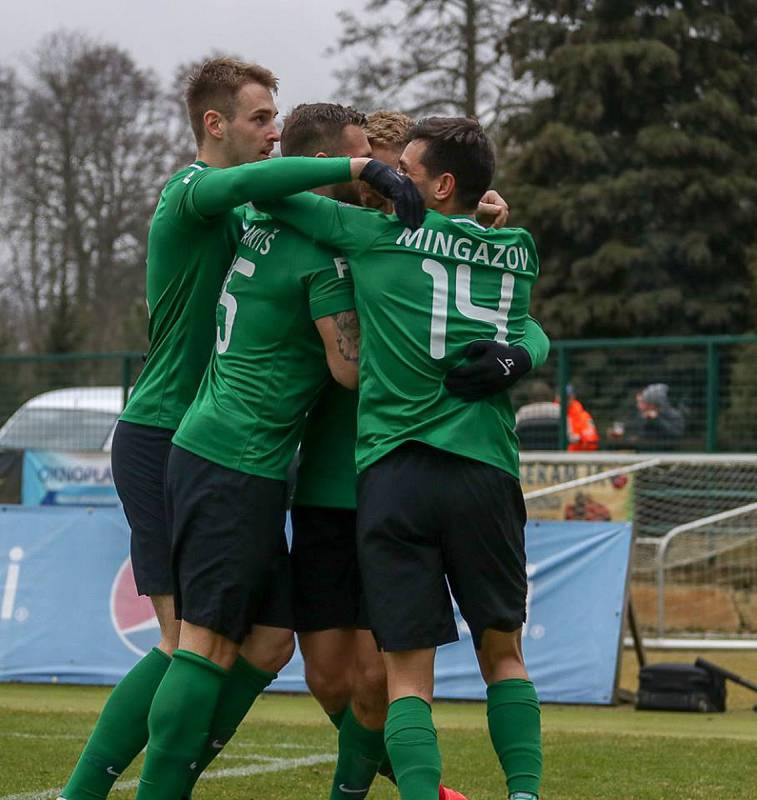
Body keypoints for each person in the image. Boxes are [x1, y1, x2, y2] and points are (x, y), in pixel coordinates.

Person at [58, 58, 419, 800]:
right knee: (188, 640)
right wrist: (361, 173)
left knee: (265, 641)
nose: (273, 133)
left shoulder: (263, 214)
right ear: (213, 124)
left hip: (228, 443)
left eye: (278, 123)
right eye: (260, 119)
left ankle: (171, 775)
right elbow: (283, 199)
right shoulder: (197, 192)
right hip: (167, 430)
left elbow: (303, 206)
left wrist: (460, 226)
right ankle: (91, 792)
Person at [259, 116, 543, 800]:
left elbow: (261, 191)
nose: (392, 179)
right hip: (485, 471)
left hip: (395, 476)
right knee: (502, 656)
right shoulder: (517, 249)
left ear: (441, 184)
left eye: (405, 171)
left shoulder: (372, 237)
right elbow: (519, 318)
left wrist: (359, 174)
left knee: (406, 675)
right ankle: (524, 794)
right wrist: (524, 344)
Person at [609, 382, 685, 450]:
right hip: (643, 456)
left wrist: (656, 419)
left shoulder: (673, 415)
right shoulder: (641, 416)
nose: (640, 406)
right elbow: (636, 436)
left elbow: (675, 434)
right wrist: (621, 437)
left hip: (667, 456)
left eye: (644, 402)